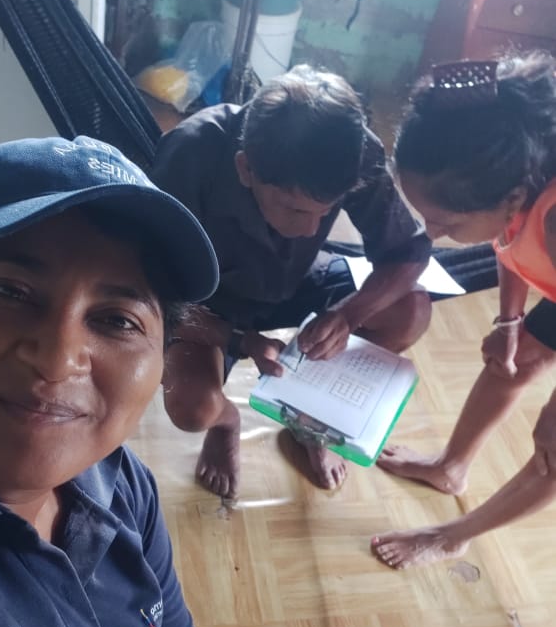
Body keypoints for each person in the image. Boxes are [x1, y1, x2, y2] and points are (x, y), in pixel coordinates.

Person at [0, 134, 284, 627]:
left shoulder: (118, 486)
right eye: (10, 290)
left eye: (116, 319)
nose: (58, 357)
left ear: (161, 361)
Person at [151, 64, 432, 497]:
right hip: (209, 301)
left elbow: (408, 254)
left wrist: (347, 316)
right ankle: (226, 424)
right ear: (246, 169)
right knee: (193, 408)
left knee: (411, 310)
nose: (310, 228)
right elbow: (151, 297)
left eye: (327, 211)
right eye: (296, 210)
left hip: (297, 277)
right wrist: (239, 340)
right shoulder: (191, 154)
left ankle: (311, 421)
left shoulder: (352, 150)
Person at [371, 53, 556, 569]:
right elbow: (511, 242)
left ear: (513, 196)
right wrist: (509, 322)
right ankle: (450, 468)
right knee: (513, 360)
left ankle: (452, 535)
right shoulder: (523, 174)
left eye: (447, 223)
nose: (430, 233)